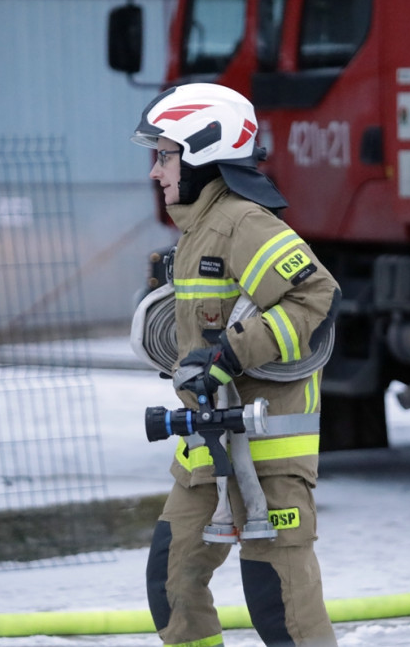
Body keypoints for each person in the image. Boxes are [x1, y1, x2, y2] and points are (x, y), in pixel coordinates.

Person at [132, 83, 341, 647]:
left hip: (269, 449)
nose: (156, 171)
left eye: (165, 155)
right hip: (210, 445)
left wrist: (229, 353)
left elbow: (315, 296)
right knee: (172, 582)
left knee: (280, 607)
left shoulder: (243, 223)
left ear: (203, 150)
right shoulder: (198, 231)